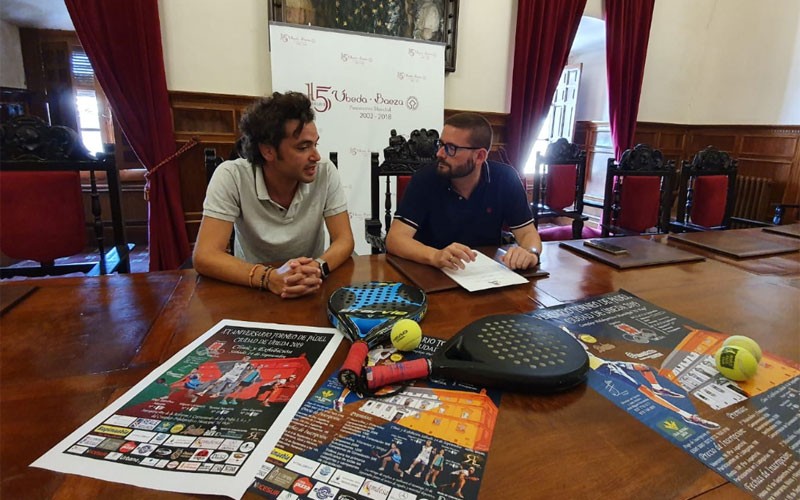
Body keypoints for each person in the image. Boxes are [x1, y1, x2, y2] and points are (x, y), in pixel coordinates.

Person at [194, 91, 354, 298]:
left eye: (315, 144)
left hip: (312, 285)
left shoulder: (324, 171)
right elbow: (205, 256)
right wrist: (269, 278)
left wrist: (316, 268)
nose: (316, 156)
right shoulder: (231, 176)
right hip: (252, 287)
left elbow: (344, 239)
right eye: (303, 147)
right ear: (268, 151)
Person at [385, 112, 541, 271]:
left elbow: (528, 233)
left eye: (451, 148)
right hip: (432, 274)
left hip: (487, 275)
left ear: (479, 156)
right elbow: (395, 239)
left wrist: (530, 253)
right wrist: (435, 256)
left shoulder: (506, 178)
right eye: (441, 144)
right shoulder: (425, 179)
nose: (439, 153)